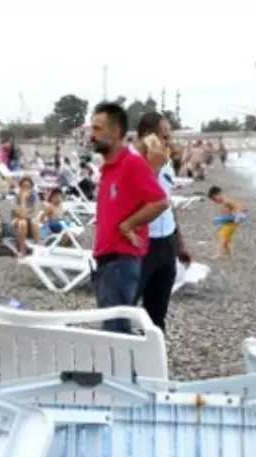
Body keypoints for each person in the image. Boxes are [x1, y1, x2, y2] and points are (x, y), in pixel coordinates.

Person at [88, 102, 169, 333]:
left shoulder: (132, 163)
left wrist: (129, 225)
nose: (91, 135)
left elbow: (160, 201)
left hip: (121, 262)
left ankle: (125, 370)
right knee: (114, 330)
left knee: (116, 333)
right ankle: (123, 369)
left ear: (114, 132)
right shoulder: (107, 168)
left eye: (97, 128)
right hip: (105, 261)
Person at [134, 111, 192, 332]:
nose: (169, 142)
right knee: (123, 310)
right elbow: (133, 200)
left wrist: (179, 243)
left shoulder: (165, 163)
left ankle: (150, 363)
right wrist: (154, 166)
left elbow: (166, 204)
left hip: (165, 242)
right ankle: (116, 363)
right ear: (148, 137)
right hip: (140, 244)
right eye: (164, 137)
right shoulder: (129, 162)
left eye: (169, 136)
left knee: (157, 315)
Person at [207, 186, 248, 259]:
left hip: (231, 224)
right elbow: (224, 214)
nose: (214, 201)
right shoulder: (220, 203)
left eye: (214, 199)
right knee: (226, 240)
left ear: (219, 194)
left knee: (222, 237)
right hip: (227, 223)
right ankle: (229, 254)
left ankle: (218, 254)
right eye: (213, 200)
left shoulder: (227, 202)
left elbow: (237, 207)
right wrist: (219, 220)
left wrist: (241, 212)